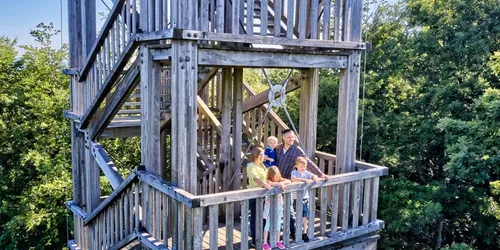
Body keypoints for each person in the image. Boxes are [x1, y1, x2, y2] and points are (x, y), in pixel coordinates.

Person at [275, 129, 328, 240]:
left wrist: (320, 173)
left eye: (292, 137)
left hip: (289, 183)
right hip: (278, 182)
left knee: (289, 209)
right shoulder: (278, 148)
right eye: (289, 137)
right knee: (276, 208)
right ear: (284, 138)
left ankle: (293, 232)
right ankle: (275, 232)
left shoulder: (296, 150)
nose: (291, 139)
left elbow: (307, 162)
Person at [291, 157, 320, 242]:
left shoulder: (306, 172)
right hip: (297, 197)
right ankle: (297, 230)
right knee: (298, 214)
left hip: (305, 197)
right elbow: (293, 179)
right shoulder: (294, 172)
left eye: (304, 166)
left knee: (305, 216)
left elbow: (313, 175)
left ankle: (304, 232)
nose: (303, 168)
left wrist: (315, 177)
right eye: (301, 166)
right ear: (296, 166)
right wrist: (304, 180)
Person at [262, 166, 290, 250]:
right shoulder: (268, 181)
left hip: (278, 205)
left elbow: (289, 181)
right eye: (275, 177)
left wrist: (281, 182)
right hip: (269, 207)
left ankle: (278, 241)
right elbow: (270, 183)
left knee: (278, 224)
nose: (277, 178)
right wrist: (279, 184)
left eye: (278, 176)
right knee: (267, 225)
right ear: (270, 176)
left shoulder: (279, 180)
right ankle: (265, 243)